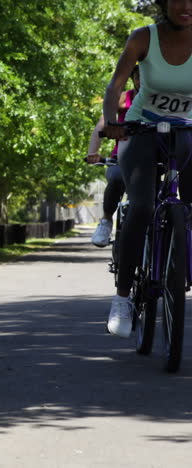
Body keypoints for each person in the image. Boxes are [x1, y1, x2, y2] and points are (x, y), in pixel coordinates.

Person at [103, 0, 192, 338]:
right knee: (140, 206)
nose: (186, 6)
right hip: (141, 128)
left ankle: (180, 258)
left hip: (186, 129)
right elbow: (115, 86)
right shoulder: (143, 38)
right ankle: (123, 298)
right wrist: (113, 122)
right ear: (164, 5)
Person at [87, 66, 140, 247]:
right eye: (138, 77)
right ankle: (106, 221)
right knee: (117, 178)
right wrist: (93, 152)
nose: (142, 81)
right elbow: (101, 126)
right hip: (122, 157)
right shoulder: (124, 98)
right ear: (133, 78)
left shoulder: (162, 100)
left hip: (154, 157)